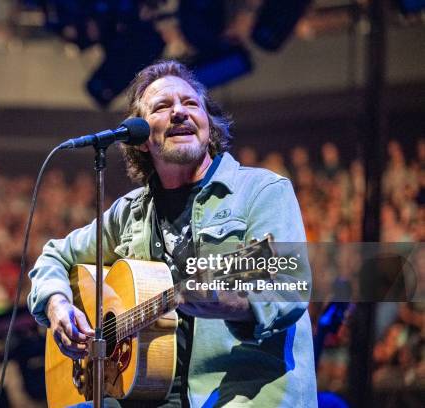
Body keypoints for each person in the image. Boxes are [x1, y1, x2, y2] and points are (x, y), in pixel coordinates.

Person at [28, 60, 317, 407]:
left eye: (191, 103)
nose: (179, 112)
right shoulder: (130, 212)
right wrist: (58, 305)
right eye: (162, 107)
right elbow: (54, 255)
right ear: (141, 140)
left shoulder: (261, 191)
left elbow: (290, 288)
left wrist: (230, 302)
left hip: (240, 394)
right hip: (144, 396)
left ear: (208, 125)